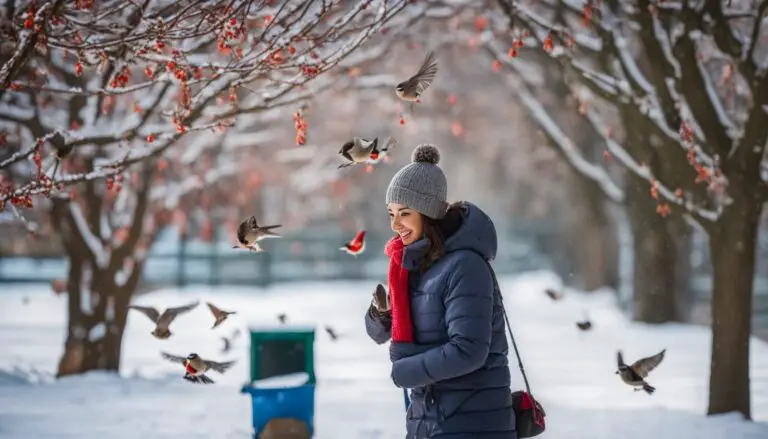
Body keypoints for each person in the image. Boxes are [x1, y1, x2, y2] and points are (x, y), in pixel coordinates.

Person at [365, 144, 516, 439]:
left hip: (471, 423)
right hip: (432, 419)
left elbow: (469, 350)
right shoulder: (414, 266)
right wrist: (381, 315)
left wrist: (405, 371)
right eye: (391, 214)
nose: (395, 225)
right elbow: (381, 334)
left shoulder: (464, 266)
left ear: (428, 214)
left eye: (405, 213)